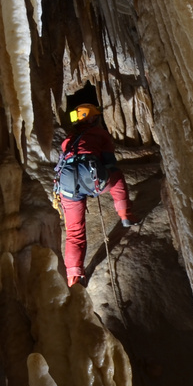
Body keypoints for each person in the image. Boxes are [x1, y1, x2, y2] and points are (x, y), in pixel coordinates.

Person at [53, 88, 130, 287]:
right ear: (93, 119)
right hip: (93, 180)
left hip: (67, 187)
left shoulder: (67, 140)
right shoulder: (99, 134)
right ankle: (125, 215)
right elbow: (110, 162)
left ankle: (74, 277)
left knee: (74, 233)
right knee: (117, 175)